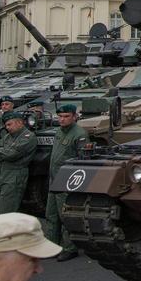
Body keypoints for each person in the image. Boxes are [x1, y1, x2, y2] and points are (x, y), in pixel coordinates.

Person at [44, 103, 87, 261]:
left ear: (74, 117)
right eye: (60, 116)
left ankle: (70, 247)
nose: (62, 119)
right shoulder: (59, 132)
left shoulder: (79, 134)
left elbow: (82, 160)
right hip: (54, 179)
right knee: (51, 214)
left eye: (66, 116)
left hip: (66, 181)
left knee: (66, 216)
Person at [0, 112, 37, 217]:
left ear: (19, 123)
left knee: (6, 212)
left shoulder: (28, 137)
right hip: (0, 174)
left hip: (14, 176)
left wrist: (0, 152)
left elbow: (12, 155)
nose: (7, 128)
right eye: (6, 125)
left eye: (9, 124)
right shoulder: (8, 137)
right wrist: (2, 152)